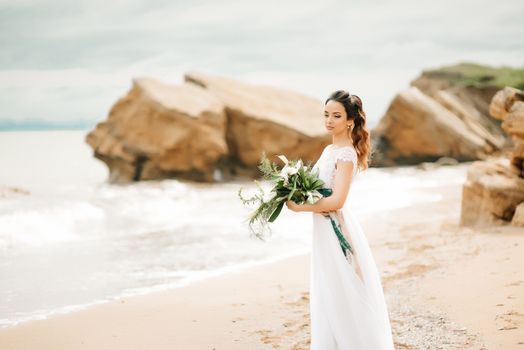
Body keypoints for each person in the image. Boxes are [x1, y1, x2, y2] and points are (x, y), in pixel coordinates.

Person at [286, 90, 395, 349]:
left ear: (350, 120)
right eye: (326, 114)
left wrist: (298, 207)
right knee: (328, 288)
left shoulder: (346, 154)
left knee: (342, 288)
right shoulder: (329, 150)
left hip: (336, 226)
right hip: (322, 227)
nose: (329, 120)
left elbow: (337, 201)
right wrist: (290, 187)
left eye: (336, 115)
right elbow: (314, 186)